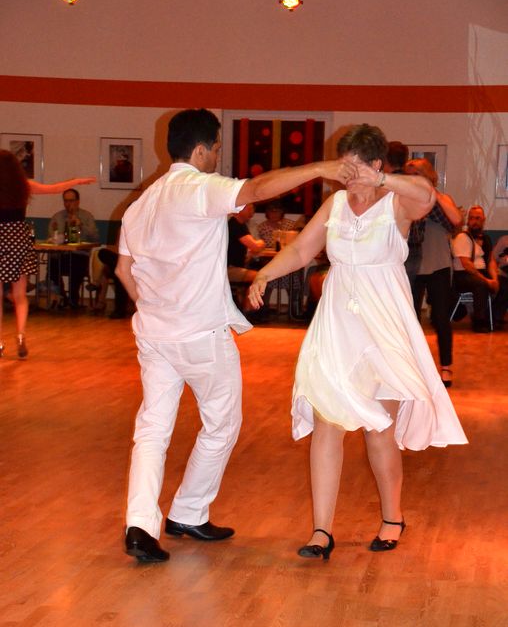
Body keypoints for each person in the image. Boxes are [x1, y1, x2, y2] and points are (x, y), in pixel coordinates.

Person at [115, 107, 357, 564]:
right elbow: (258, 189)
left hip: (154, 334)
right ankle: (188, 511)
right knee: (221, 424)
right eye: (217, 148)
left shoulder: (141, 204)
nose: (217, 157)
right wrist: (321, 168)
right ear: (201, 151)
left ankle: (140, 525)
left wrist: (153, 306)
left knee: (152, 430)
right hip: (201, 333)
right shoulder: (198, 188)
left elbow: (125, 270)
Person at [249, 124, 467, 559]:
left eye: (354, 167)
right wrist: (264, 274)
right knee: (326, 425)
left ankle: (392, 517)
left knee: (379, 429)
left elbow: (427, 197)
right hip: (337, 326)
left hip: (383, 326)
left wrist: (382, 180)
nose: (345, 175)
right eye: (341, 166)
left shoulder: (396, 203)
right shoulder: (334, 205)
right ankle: (321, 531)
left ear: (375, 164)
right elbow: (301, 250)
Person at [0, 150, 94, 358]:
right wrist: (76, 181)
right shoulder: (23, 185)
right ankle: (21, 336)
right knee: (20, 295)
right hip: (18, 239)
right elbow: (54, 189)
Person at [404, 158, 463, 387]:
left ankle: (446, 366)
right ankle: (414, 367)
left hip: (438, 265)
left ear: (428, 176)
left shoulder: (441, 199)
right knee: (410, 318)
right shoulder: (405, 200)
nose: (412, 179)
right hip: (412, 266)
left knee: (441, 318)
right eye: (409, 174)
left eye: (416, 174)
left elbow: (456, 223)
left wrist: (431, 192)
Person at [451, 206, 506, 332]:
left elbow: (490, 261)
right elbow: (467, 264)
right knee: (481, 284)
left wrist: (494, 278)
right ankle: (479, 321)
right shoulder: (462, 237)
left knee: (503, 283)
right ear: (468, 220)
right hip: (463, 275)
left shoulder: (486, 238)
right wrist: (487, 281)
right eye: (471, 218)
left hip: (480, 272)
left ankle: (494, 318)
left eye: (477, 218)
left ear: (483, 220)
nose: (474, 221)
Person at [48, 188, 99, 308]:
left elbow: (95, 238)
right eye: (65, 201)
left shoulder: (86, 216)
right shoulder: (57, 217)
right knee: (52, 263)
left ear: (77, 201)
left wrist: (81, 224)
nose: (68, 204)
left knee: (76, 262)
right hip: (62, 255)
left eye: (71, 200)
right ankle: (61, 296)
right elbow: (51, 236)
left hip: (80, 255)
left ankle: (73, 298)